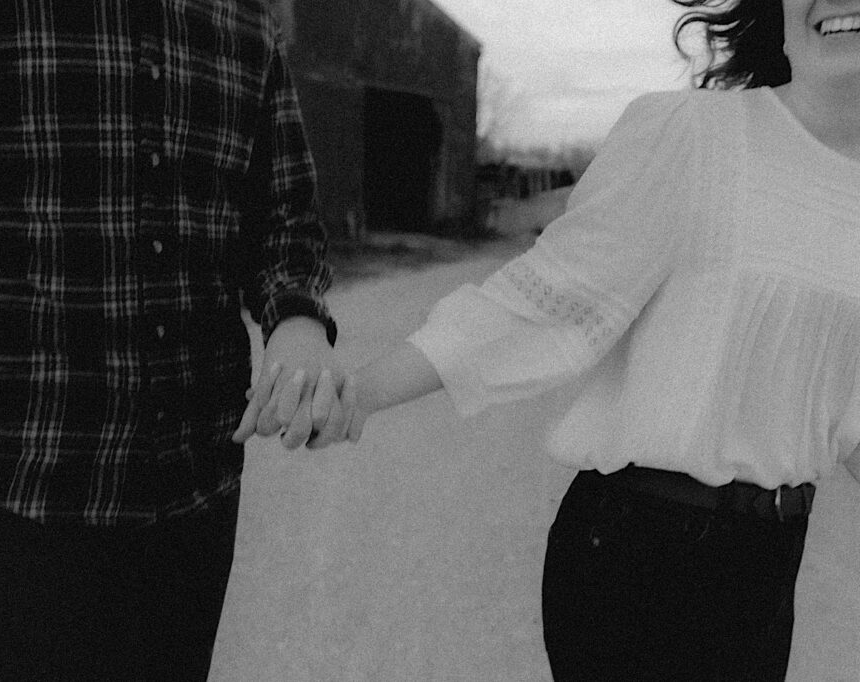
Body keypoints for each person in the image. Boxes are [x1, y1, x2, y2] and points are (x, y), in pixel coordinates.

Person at [241, 0, 860, 679]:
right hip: (647, 556)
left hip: (769, 565)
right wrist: (358, 392)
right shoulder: (699, 137)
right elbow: (546, 301)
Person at [0, 0, 344, 679]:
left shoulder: (244, 16)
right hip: (28, 489)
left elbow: (284, 213)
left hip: (198, 485)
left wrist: (299, 320)